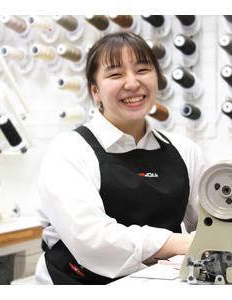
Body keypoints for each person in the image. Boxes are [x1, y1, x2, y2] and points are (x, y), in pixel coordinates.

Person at [34, 31, 205, 285]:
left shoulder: (185, 150)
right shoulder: (69, 151)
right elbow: (92, 240)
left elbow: (209, 222)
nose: (133, 83)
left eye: (142, 70)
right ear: (96, 91)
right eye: (115, 74)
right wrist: (180, 242)